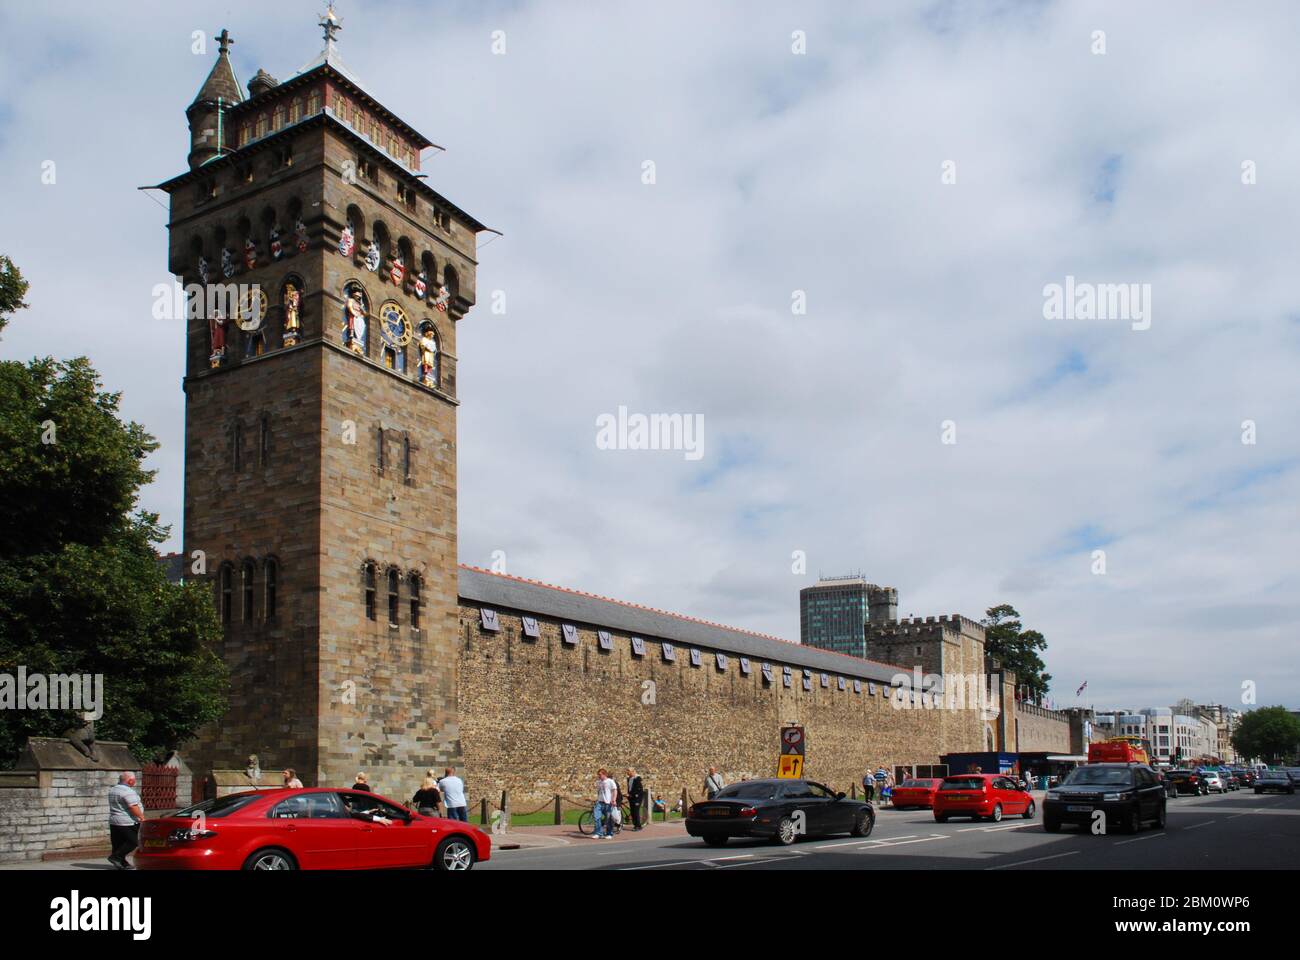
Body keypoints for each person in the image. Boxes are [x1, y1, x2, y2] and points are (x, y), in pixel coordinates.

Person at [107, 772, 144, 870]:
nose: (134, 782)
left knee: (118, 843)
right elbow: (133, 806)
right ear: (130, 780)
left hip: (114, 820)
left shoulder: (113, 789)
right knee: (134, 841)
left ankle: (122, 863)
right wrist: (141, 817)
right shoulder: (127, 791)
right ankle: (116, 857)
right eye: (134, 780)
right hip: (127, 821)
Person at [593, 768, 618, 838]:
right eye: (598, 775)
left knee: (608, 819)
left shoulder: (610, 781)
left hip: (608, 803)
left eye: (600, 775)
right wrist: (597, 799)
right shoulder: (598, 782)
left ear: (604, 774)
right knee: (596, 817)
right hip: (600, 802)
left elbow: (614, 791)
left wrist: (614, 799)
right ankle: (599, 833)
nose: (599, 776)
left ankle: (609, 833)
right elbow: (599, 792)